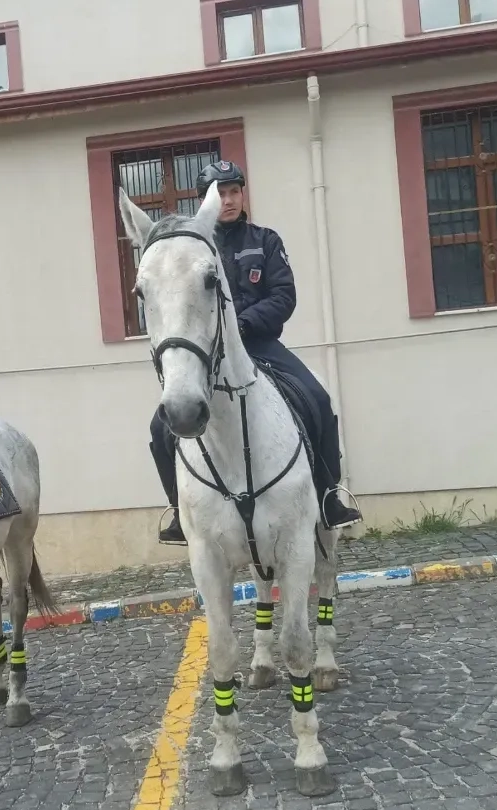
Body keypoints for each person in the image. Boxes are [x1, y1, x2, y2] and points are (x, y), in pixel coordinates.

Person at [148, 160, 362, 545]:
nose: (228, 200)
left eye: (233, 191)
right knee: (159, 427)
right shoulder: (196, 249)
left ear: (242, 194)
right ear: (205, 202)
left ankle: (329, 495)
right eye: (219, 194)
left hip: (259, 343)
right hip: (210, 356)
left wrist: (245, 324)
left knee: (317, 399)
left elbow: (284, 296)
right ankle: (180, 513)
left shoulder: (265, 241)